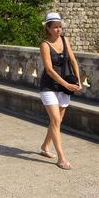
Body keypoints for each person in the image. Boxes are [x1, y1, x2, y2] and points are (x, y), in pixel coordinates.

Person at [38, 12, 81, 170]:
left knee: (57, 121)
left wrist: (78, 80)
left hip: (64, 87)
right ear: (48, 28)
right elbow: (49, 70)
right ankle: (62, 158)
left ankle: (44, 146)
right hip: (49, 86)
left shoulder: (65, 40)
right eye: (55, 27)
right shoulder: (44, 45)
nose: (58, 30)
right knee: (56, 120)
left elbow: (73, 60)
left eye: (59, 27)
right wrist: (66, 84)